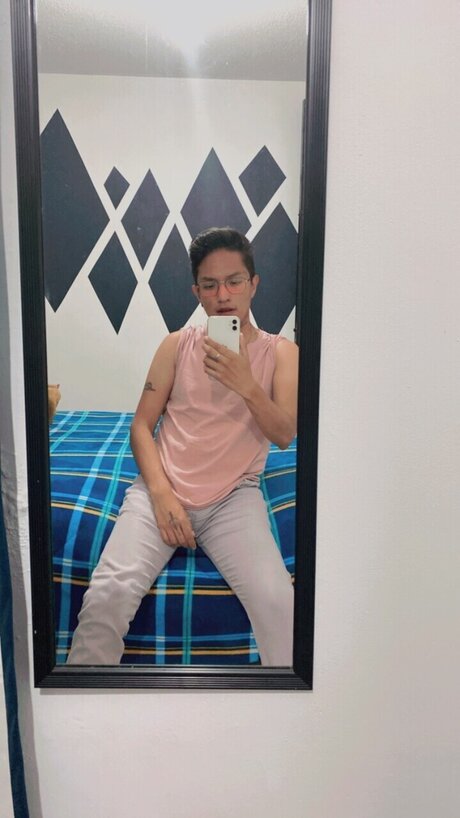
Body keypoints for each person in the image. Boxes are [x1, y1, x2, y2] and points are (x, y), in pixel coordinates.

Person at [67, 227, 299, 666]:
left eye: (234, 281)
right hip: (164, 487)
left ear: (253, 284)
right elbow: (141, 425)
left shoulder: (282, 353)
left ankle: (286, 709)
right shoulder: (176, 345)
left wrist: (247, 384)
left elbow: (285, 433)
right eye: (210, 285)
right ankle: (88, 704)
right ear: (197, 292)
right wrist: (160, 494)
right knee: (106, 598)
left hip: (234, 497)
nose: (223, 295)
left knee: (278, 604)